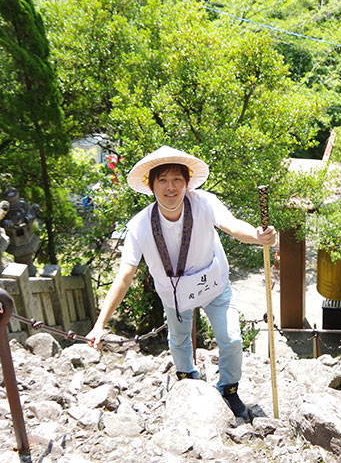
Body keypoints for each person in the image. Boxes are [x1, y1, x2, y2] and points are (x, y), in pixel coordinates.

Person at [85, 146, 276, 420]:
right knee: (179, 340)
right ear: (151, 186)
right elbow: (124, 275)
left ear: (187, 183)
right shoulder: (139, 226)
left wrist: (258, 236)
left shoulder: (204, 204)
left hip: (214, 285)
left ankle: (229, 389)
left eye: (177, 179)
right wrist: (100, 324)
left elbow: (232, 226)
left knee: (232, 339)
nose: (170, 187)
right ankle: (187, 381)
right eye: (162, 180)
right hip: (174, 295)